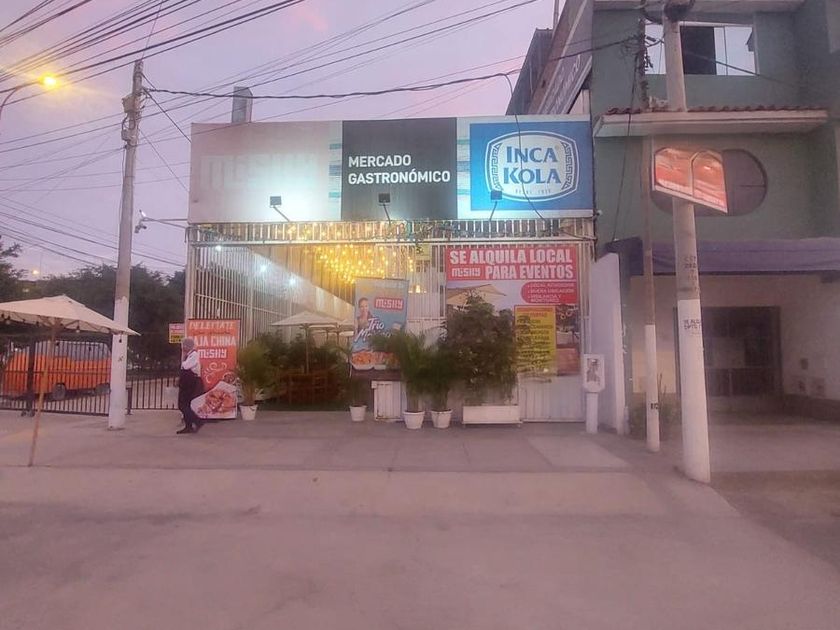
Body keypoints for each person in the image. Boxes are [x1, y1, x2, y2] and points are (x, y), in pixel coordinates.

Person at [177, 338, 204, 434]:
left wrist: (183, 359)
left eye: (183, 345)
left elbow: (185, 366)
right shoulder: (189, 355)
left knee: (182, 405)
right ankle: (188, 426)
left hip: (190, 382)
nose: (182, 348)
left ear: (187, 346)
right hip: (186, 382)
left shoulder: (194, 355)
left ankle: (197, 420)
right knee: (185, 404)